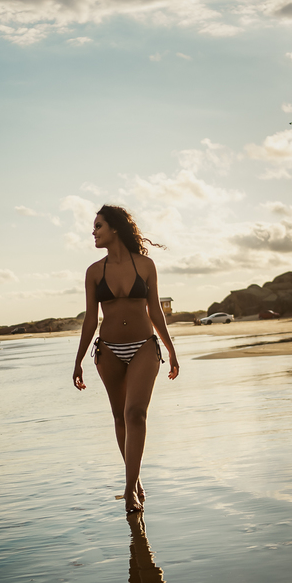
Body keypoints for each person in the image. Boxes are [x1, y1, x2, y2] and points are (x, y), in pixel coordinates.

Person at [73, 205, 179, 513]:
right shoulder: (94, 272)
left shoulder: (145, 265)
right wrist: (78, 360)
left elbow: (155, 311)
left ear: (115, 228)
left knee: (136, 414)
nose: (93, 232)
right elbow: (90, 320)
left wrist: (171, 350)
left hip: (144, 346)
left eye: (98, 226)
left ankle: (129, 487)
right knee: (120, 417)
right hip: (108, 350)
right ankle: (135, 478)